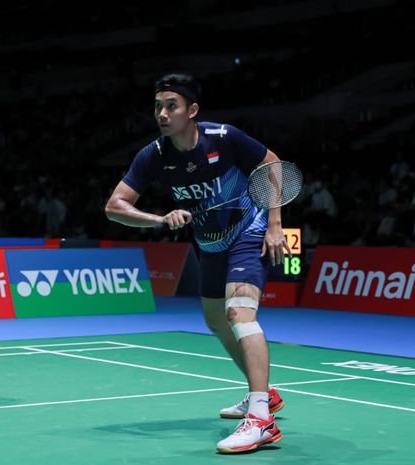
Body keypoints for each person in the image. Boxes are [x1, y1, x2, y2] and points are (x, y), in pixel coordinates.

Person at [105, 73, 289, 453]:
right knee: (215, 319)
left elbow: (272, 164)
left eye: (171, 105)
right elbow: (114, 207)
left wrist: (274, 224)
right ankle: (265, 394)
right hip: (209, 243)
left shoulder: (225, 138)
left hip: (247, 231)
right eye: (158, 106)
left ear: (192, 110)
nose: (162, 113)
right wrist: (159, 219)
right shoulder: (154, 155)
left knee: (240, 314)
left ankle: (260, 420)